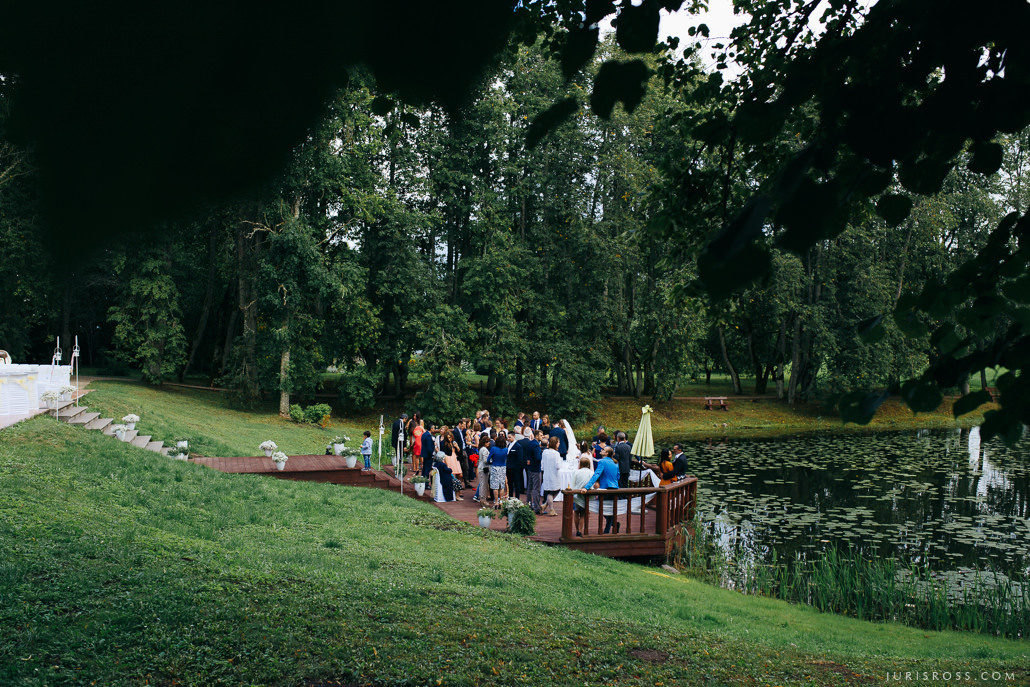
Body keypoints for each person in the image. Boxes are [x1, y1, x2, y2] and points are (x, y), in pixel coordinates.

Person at [580, 447, 621, 533]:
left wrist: (586, 487)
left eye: (603, 450)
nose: (601, 451)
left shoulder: (602, 461)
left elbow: (596, 475)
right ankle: (613, 524)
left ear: (606, 453)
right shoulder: (615, 462)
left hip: (605, 488)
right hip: (615, 488)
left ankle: (607, 530)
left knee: (602, 508)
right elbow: (618, 476)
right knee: (609, 509)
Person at [570, 455, 594, 537]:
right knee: (583, 514)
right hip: (586, 495)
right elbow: (592, 485)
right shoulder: (591, 473)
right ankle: (580, 530)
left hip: (577, 495)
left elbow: (572, 484)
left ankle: (577, 529)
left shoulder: (576, 472)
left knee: (576, 512)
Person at [520, 426, 543, 513]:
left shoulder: (530, 443)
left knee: (530, 486)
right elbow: (537, 458)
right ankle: (537, 507)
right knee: (536, 488)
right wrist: (541, 455)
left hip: (530, 468)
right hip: (536, 468)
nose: (542, 437)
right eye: (541, 435)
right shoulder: (536, 445)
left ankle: (528, 503)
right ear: (537, 436)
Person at [540, 435, 562, 516]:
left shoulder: (545, 452)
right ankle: (551, 509)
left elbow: (542, 465)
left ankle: (545, 505)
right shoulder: (556, 454)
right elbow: (558, 466)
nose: (559, 444)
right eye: (558, 442)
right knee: (552, 492)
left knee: (551, 491)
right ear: (555, 443)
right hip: (554, 475)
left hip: (546, 474)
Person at [487, 433, 509, 507]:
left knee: (495, 486)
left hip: (495, 467)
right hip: (503, 467)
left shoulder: (493, 449)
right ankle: (501, 501)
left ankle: (496, 502)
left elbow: (488, 459)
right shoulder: (506, 450)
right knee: (501, 485)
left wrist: (491, 461)